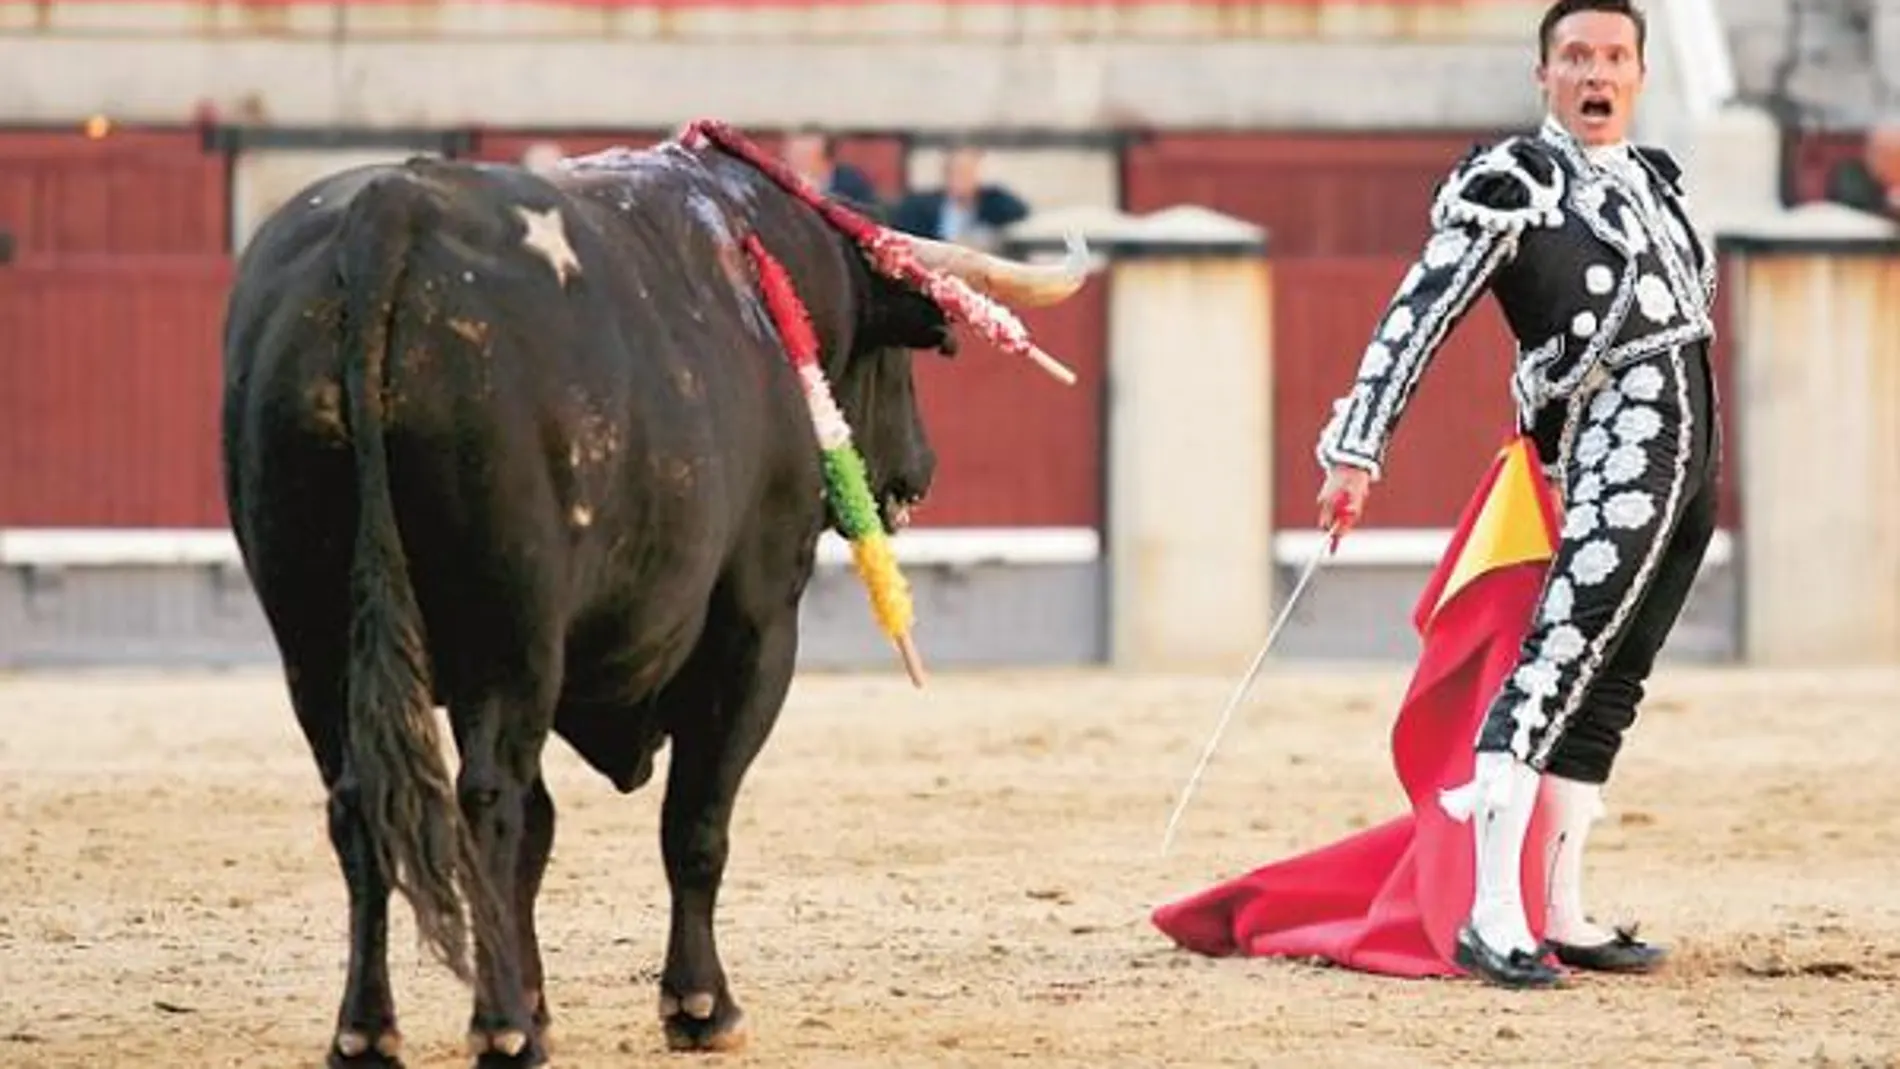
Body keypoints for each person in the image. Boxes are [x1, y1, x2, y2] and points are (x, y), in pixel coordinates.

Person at [1312, 0, 1719, 989]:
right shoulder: (1514, 183)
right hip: (1615, 456)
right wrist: (1357, 445)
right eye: (1576, 56)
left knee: (1609, 683)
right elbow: (1422, 310)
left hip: (1689, 461)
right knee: (1555, 663)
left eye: (1614, 57)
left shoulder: (1656, 181)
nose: (1596, 73)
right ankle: (1491, 913)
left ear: (1639, 74)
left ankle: (1561, 908)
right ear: (1543, 75)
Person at [889, 140, 1029, 250]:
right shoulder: (920, 206)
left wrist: (989, 190)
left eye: (967, 172)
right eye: (955, 172)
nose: (960, 179)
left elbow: (1021, 211)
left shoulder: (990, 203)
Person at [781, 125, 885, 219]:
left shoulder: (852, 186)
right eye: (790, 157)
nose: (794, 165)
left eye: (803, 157)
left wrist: (817, 195)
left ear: (826, 161)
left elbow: (872, 220)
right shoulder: (780, 187)